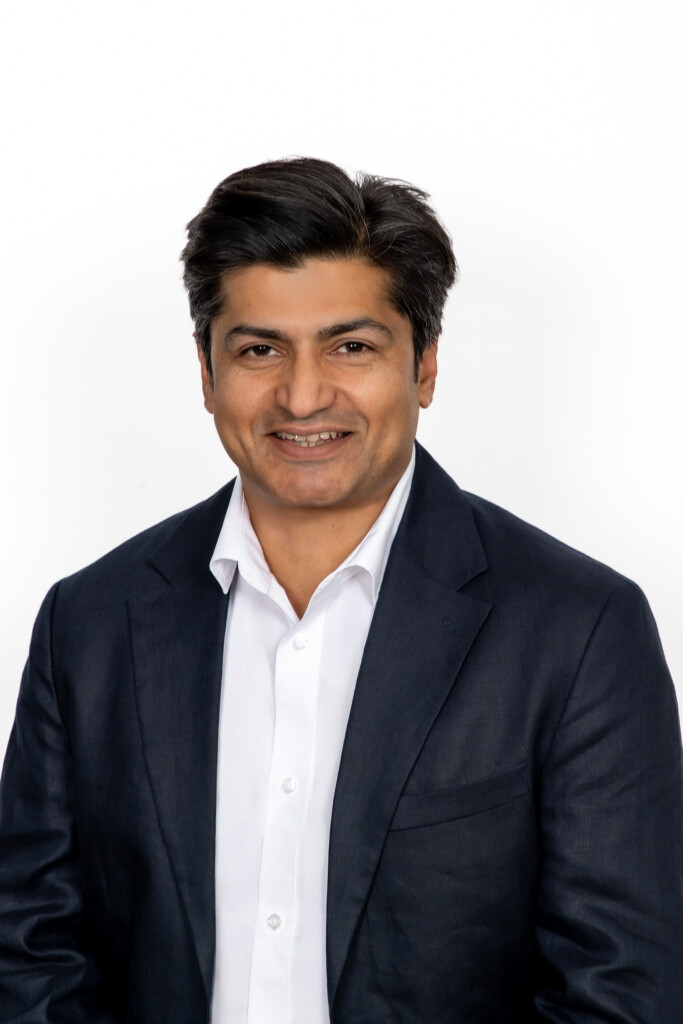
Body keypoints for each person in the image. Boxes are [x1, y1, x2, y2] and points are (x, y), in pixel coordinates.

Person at [0, 157, 681, 1024]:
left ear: (423, 366)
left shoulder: (577, 629)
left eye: (350, 346)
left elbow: (622, 992)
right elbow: (30, 953)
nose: (302, 395)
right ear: (206, 373)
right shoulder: (89, 622)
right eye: (258, 350)